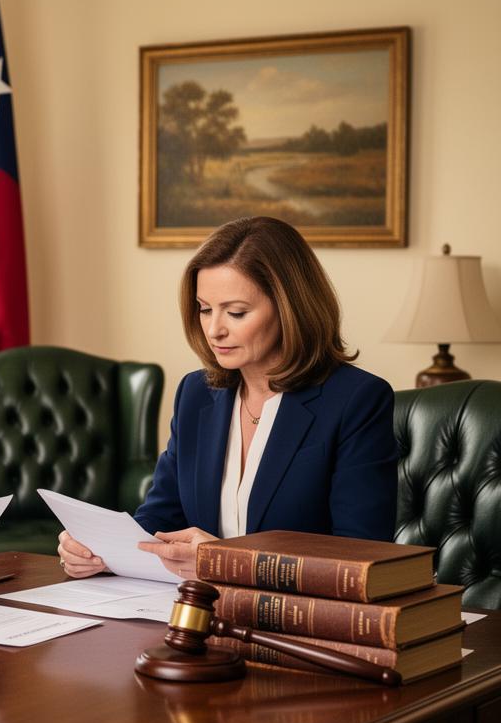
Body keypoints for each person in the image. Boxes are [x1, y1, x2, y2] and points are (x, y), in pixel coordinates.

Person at [58, 215, 397, 582]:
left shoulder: (356, 400)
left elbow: (361, 555)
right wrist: (102, 551)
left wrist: (223, 560)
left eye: (236, 312)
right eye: (205, 309)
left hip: (295, 622)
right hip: (195, 615)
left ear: (290, 309)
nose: (214, 329)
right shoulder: (196, 393)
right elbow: (161, 517)